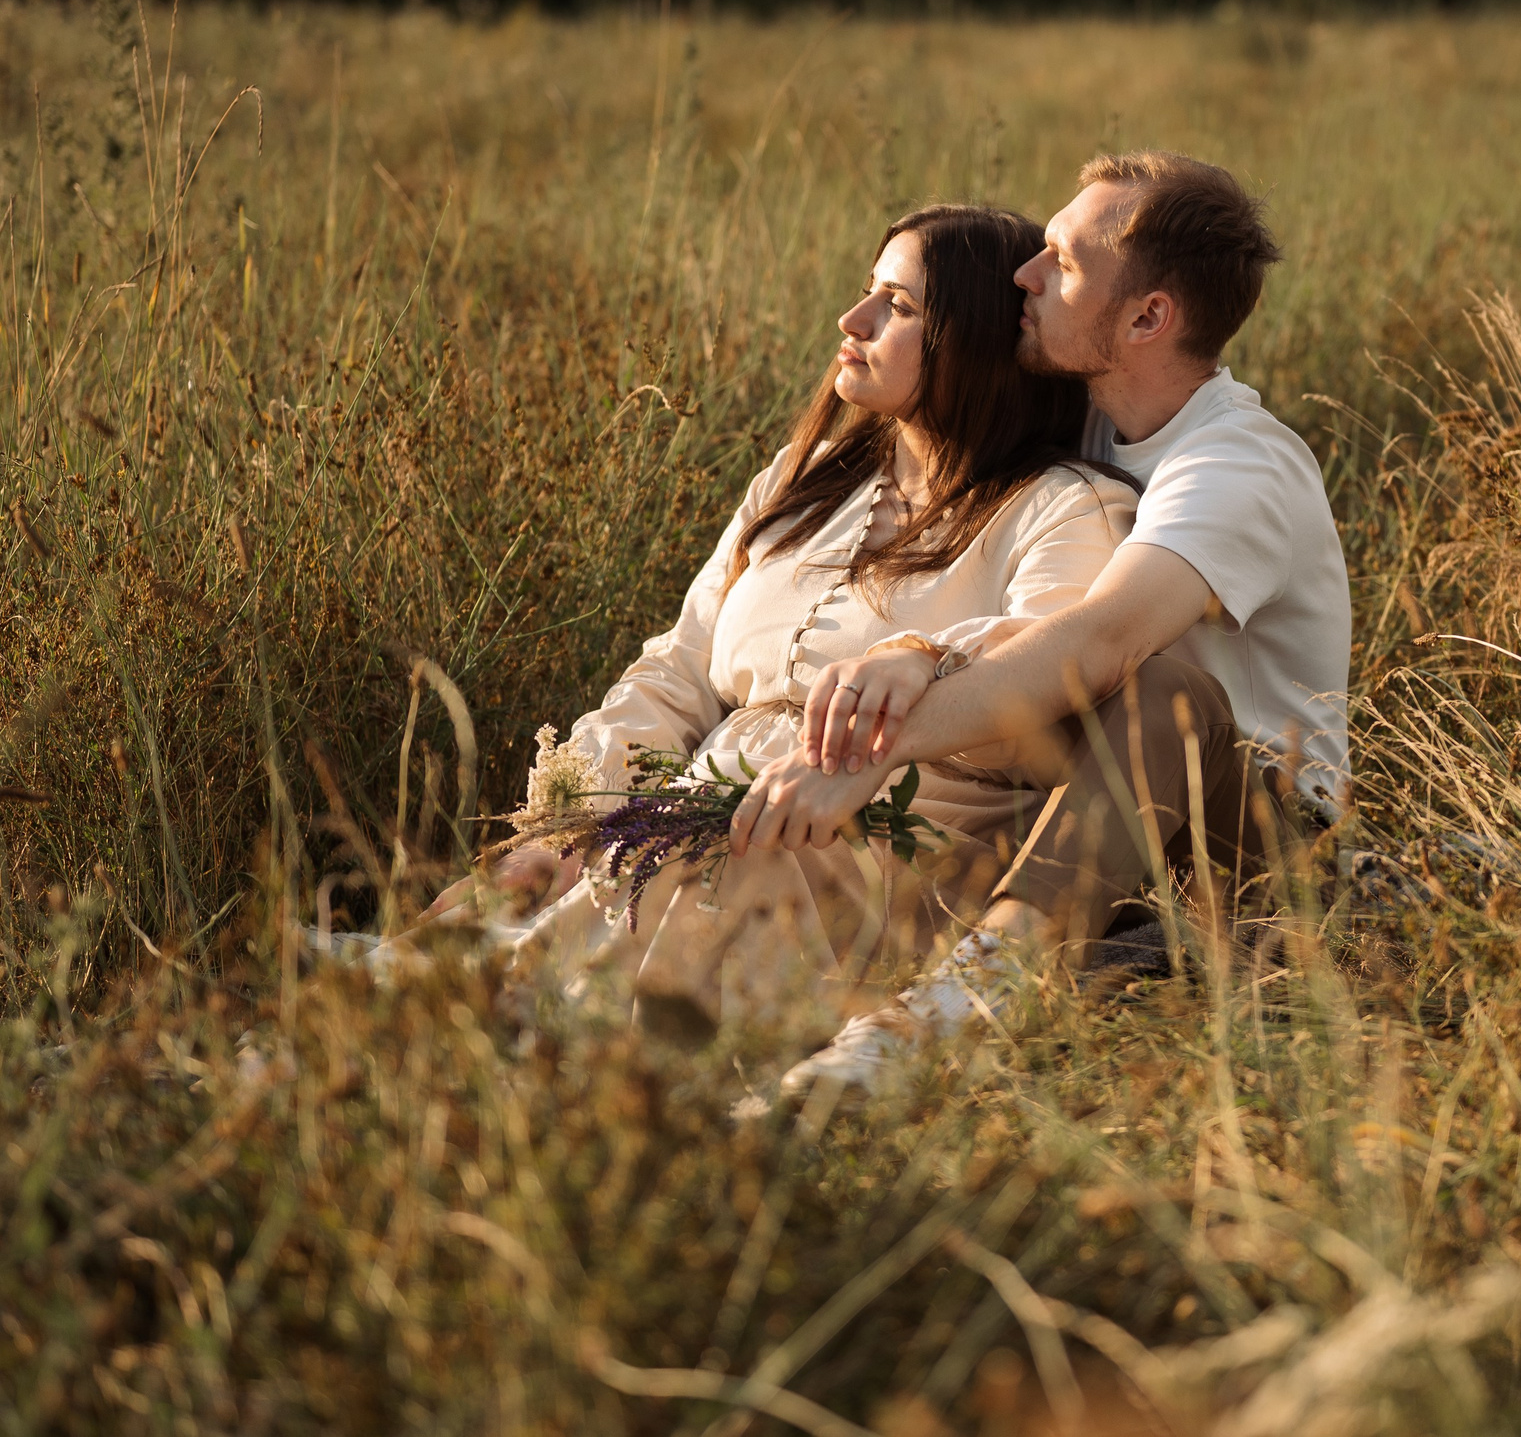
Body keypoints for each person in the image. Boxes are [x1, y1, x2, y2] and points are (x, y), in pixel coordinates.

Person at [728, 150, 1351, 1098]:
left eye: (1058, 261)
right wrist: (915, 652)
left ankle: (965, 999)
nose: (1024, 273)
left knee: (1168, 693)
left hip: (1244, 837)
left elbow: (1098, 644)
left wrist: (860, 749)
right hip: (1081, 798)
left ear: (1148, 318)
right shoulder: (1096, 424)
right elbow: (1027, 624)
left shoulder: (1237, 466)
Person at [480, 204, 1139, 1038]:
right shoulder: (805, 484)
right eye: (869, 291)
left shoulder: (1065, 509)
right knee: (509, 923)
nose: (852, 320)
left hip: (901, 856)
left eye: (897, 307)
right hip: (702, 818)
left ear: (970, 342)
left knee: (645, 920)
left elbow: (1044, 674)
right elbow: (679, 667)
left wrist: (922, 660)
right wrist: (562, 829)